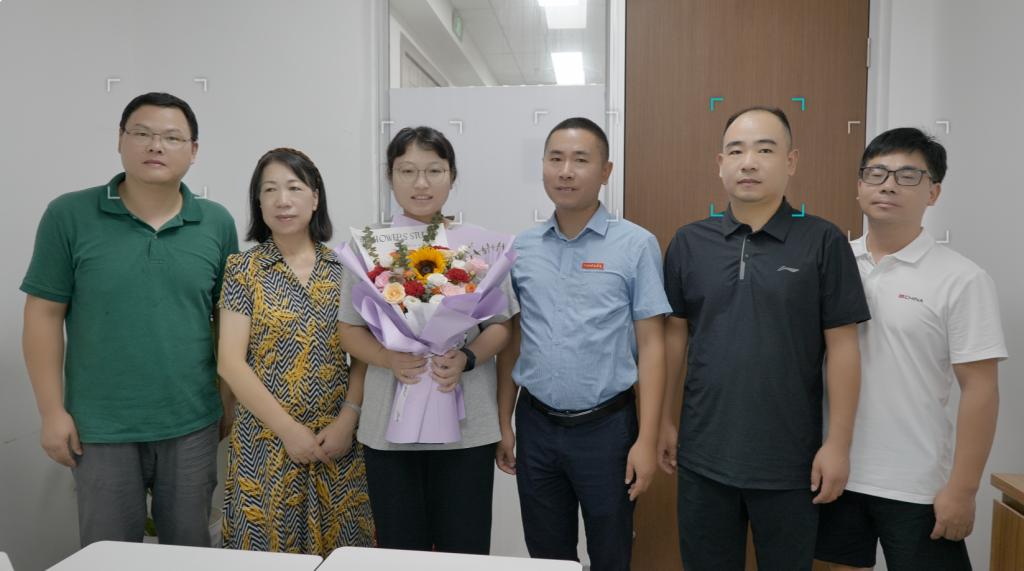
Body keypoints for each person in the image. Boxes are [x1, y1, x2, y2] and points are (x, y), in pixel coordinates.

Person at [21, 92, 238, 546]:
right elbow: (43, 314)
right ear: (120, 140)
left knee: (191, 552)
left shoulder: (216, 222)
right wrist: (51, 412)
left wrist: (227, 399)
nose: (156, 146)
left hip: (192, 422)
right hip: (100, 427)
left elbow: (228, 321)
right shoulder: (69, 215)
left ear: (193, 151)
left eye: (172, 137)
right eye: (142, 133)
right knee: (109, 553)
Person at [658, 106, 870, 570]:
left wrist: (838, 444)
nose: (748, 162)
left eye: (765, 150)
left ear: (791, 161)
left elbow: (843, 348)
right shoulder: (689, 242)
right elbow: (675, 337)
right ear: (720, 164)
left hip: (791, 463)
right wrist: (664, 421)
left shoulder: (823, 241)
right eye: (736, 151)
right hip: (703, 456)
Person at [815, 128, 1007, 571]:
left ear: (933, 192)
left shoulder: (962, 279)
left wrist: (963, 489)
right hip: (832, 471)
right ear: (859, 185)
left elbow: (980, 389)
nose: (888, 185)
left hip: (916, 485)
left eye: (907, 176)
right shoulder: (831, 263)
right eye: (876, 173)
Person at [496, 117, 670, 571]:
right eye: (555, 159)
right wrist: (504, 422)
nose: (566, 171)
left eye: (580, 160)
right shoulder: (521, 249)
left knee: (611, 554)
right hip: (536, 425)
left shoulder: (636, 245)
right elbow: (513, 341)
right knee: (547, 557)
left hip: (608, 431)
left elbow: (653, 346)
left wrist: (647, 440)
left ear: (606, 171)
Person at [337, 126, 517, 555]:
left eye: (434, 170)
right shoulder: (368, 247)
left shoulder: (478, 245)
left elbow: (501, 326)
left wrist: (467, 357)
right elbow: (349, 330)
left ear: (452, 176)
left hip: (467, 428)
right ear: (390, 176)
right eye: (408, 171)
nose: (421, 183)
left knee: (465, 547)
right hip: (387, 426)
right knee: (400, 549)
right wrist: (389, 358)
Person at [217, 148, 375, 555]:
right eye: (269, 190)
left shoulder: (347, 268)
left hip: (336, 440)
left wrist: (347, 421)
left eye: (294, 188)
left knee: (343, 555)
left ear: (315, 198)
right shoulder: (243, 269)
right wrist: (289, 431)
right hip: (265, 441)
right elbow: (230, 362)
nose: (282, 200)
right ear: (258, 202)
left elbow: (364, 355)